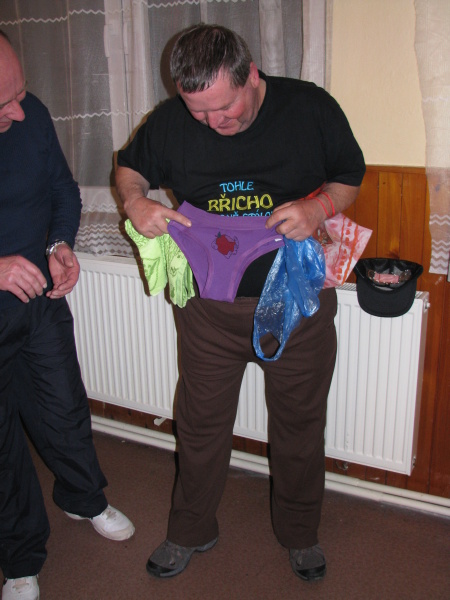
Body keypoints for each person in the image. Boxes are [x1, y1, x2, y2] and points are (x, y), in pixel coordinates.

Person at [116, 24, 365, 582]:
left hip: (296, 302)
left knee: (300, 426)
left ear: (251, 75)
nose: (213, 122)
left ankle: (300, 534)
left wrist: (318, 208)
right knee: (199, 425)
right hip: (209, 310)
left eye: (224, 107)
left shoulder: (309, 108)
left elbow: (350, 176)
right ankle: (190, 528)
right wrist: (135, 202)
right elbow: (130, 168)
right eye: (199, 111)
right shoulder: (171, 121)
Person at [0, 31, 135, 600]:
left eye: (20, 92)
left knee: (63, 405)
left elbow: (61, 188)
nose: (18, 110)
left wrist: (59, 243)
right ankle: (19, 558)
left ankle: (84, 498)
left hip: (40, 302)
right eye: (2, 104)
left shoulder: (30, 114)